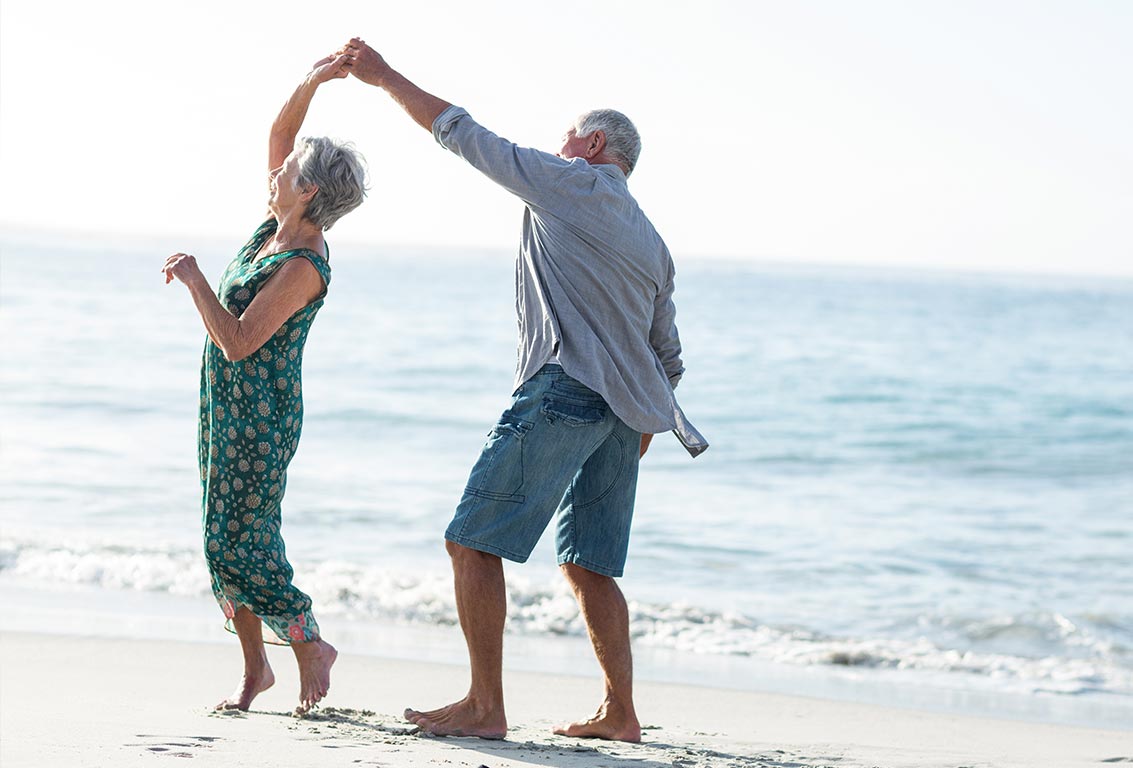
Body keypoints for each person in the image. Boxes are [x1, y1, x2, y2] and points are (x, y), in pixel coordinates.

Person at [339, 38, 707, 742]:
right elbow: (668, 354)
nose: (556, 144)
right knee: (588, 564)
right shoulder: (652, 240)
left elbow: (463, 134)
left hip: (565, 390)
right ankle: (620, 713)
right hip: (623, 418)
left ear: (592, 143)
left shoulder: (570, 181)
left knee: (470, 543)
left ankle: (485, 705)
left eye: (567, 135)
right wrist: (639, 432)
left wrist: (382, 76)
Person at [161, 53, 367, 715]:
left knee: (238, 539)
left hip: (260, 414)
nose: (274, 172)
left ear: (308, 192)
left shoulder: (304, 260)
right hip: (223, 405)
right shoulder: (271, 228)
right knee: (219, 536)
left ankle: (308, 642)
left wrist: (195, 281)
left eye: (288, 172)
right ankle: (255, 672)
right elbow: (280, 142)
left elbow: (240, 340)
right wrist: (311, 82)